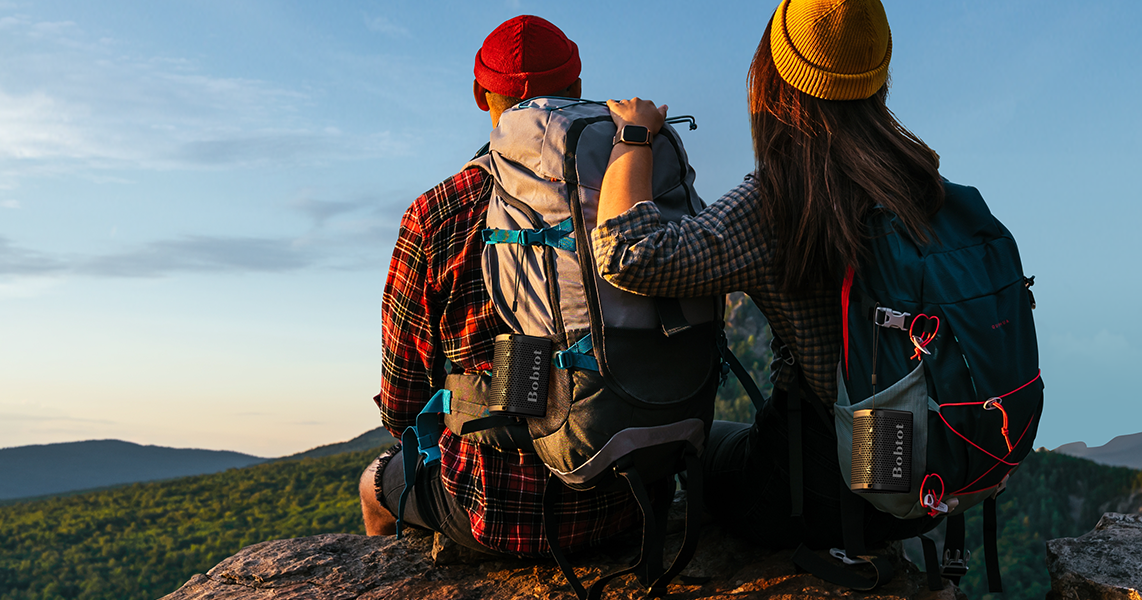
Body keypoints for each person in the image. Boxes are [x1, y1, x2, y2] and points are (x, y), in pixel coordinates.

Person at [590, 0, 944, 549]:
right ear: (878, 74)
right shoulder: (922, 179)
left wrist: (634, 136)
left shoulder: (784, 196)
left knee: (697, 445)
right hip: (923, 478)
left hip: (823, 489)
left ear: (774, 77)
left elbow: (627, 253)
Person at [358, 15, 642, 556]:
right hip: (630, 491)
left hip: (497, 510)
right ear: (578, 87)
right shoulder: (632, 187)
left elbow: (402, 406)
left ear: (478, 94)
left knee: (374, 486)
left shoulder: (437, 213)